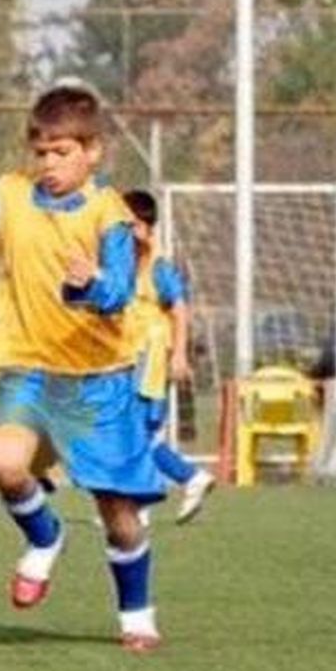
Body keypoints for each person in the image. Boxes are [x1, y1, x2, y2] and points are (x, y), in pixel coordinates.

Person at [0, 84, 166, 653]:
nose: (50, 165)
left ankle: (137, 614)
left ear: (93, 152)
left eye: (63, 153)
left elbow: (122, 291)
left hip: (99, 380)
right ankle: (45, 537)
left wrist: (92, 282)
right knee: (6, 467)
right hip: (26, 367)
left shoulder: (110, 216)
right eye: (42, 153)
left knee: (117, 511)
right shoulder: (10, 194)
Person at [122, 189, 215, 524]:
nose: (124, 234)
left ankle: (189, 477)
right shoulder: (125, 265)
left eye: (130, 226)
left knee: (132, 434)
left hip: (148, 359)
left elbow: (179, 309)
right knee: (132, 435)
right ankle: (139, 506)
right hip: (130, 358)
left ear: (147, 228)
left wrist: (178, 355)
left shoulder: (157, 266)